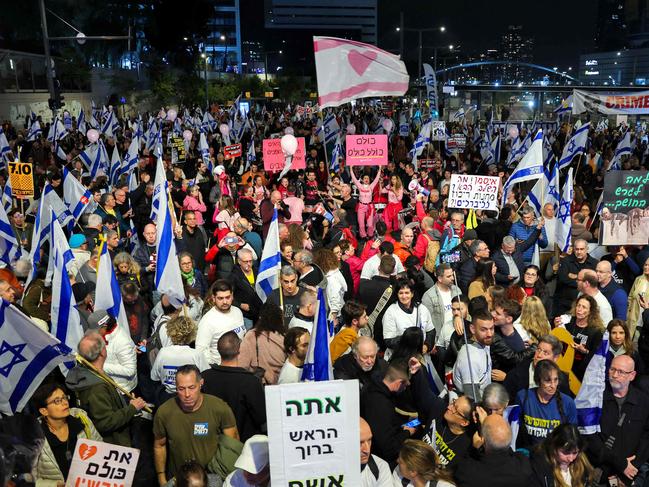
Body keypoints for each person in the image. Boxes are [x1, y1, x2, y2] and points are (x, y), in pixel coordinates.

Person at [153, 365, 239, 486]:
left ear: (201, 383)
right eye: (181, 389)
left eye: (192, 387)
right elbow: (159, 445)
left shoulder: (219, 408)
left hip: (212, 479)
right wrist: (161, 477)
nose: (187, 394)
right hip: (179, 479)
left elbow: (232, 444)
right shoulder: (164, 412)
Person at [65, 330, 147, 447]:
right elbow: (105, 423)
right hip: (113, 444)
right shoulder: (96, 387)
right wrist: (132, 408)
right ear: (102, 353)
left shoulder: (90, 372)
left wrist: (126, 403)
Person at [584, 355, 649, 485]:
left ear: (632, 375)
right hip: (598, 473)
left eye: (621, 372)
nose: (614, 375)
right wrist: (621, 464)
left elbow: (646, 438)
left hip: (630, 474)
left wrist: (631, 470)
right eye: (612, 369)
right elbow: (589, 438)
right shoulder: (594, 398)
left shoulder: (643, 401)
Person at [32, 382, 103, 486]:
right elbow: (30, 477)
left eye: (64, 397)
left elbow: (101, 449)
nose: (65, 403)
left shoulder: (82, 420)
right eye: (57, 401)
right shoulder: (34, 437)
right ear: (44, 411)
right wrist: (56, 485)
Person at [202, 332, 266, 443]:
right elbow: (261, 418)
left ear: (218, 350)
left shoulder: (204, 377)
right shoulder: (250, 382)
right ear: (239, 351)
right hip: (243, 445)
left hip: (211, 441)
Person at [360, 358, 415, 467]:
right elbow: (388, 449)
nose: (405, 389)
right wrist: (407, 432)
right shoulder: (381, 405)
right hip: (381, 460)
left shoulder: (371, 386)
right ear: (399, 383)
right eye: (405, 386)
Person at [454, 415, 534, 487]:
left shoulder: (467, 473)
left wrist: (475, 449)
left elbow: (461, 469)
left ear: (483, 441)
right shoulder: (524, 468)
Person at [515, 360, 577, 449]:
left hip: (555, 455)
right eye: (548, 381)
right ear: (538, 380)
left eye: (556, 380)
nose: (553, 385)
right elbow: (516, 430)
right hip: (528, 454)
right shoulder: (523, 397)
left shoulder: (568, 402)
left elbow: (572, 436)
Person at [150, 315, 209, 401]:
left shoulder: (163, 352)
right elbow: (205, 377)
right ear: (192, 333)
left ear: (170, 332)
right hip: (190, 397)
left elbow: (154, 377)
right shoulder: (196, 354)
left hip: (167, 398)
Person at [503, 334, 571, 402]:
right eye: (538, 349)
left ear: (555, 358)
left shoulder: (562, 379)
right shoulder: (515, 375)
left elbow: (565, 406)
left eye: (545, 353)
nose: (539, 355)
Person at [196, 280, 246, 365]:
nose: (225, 302)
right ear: (213, 298)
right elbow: (201, 350)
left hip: (239, 365)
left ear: (232, 296)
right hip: (220, 368)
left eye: (227, 297)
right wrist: (214, 367)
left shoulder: (238, 312)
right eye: (220, 298)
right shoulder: (207, 321)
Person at [555, 295, 604, 381]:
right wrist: (557, 328)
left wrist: (584, 351)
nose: (579, 309)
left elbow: (596, 357)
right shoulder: (568, 322)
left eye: (584, 307)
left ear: (590, 311)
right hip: (561, 367)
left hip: (581, 373)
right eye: (578, 305)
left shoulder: (596, 332)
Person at [382, 278, 434, 359]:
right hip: (400, 357)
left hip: (421, 356)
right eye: (401, 293)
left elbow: (431, 331)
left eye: (407, 293)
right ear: (397, 294)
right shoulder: (391, 311)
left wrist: (427, 346)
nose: (404, 296)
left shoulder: (422, 309)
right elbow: (389, 340)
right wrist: (410, 342)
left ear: (412, 294)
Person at [530, 423, 594, 487]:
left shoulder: (583, 465)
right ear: (553, 447)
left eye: (575, 453)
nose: (571, 459)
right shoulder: (540, 466)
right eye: (566, 453)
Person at [238, 302, 287, 385]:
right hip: (283, 383)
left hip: (260, 386)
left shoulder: (251, 336)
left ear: (260, 318)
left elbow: (242, 365)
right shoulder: (285, 337)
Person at [452, 310, 494, 399]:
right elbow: (472, 397)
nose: (489, 334)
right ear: (472, 329)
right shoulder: (469, 357)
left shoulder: (484, 342)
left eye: (491, 328)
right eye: (484, 329)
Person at [553, 238, 597, 316]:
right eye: (577, 249)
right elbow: (563, 279)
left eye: (582, 249)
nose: (579, 252)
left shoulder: (594, 263)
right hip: (565, 303)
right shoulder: (566, 261)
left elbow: (594, 282)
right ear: (573, 249)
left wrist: (575, 276)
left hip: (586, 304)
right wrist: (584, 282)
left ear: (587, 249)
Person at [421, 263, 463, 340]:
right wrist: (429, 341)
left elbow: (464, 310)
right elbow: (425, 322)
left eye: (452, 275)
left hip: (457, 335)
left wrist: (457, 316)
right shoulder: (428, 296)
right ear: (440, 278)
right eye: (449, 276)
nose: (453, 278)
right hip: (440, 338)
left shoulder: (457, 290)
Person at [228, 248, 262, 329]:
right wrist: (240, 305)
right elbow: (228, 295)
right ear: (239, 261)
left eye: (250, 261)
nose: (249, 264)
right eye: (246, 262)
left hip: (258, 312)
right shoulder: (233, 276)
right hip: (245, 314)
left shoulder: (257, 272)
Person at [359, 418, 393, 487]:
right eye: (360, 443)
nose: (367, 450)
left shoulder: (380, 467)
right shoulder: (333, 469)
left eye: (369, 440)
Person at [351, 169, 381, 239]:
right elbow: (354, 179)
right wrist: (351, 169)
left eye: (367, 178)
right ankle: (363, 236)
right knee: (361, 225)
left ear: (369, 180)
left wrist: (379, 169)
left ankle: (370, 235)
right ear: (362, 180)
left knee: (370, 225)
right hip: (361, 206)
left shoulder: (371, 186)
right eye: (365, 178)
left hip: (369, 207)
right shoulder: (360, 186)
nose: (366, 179)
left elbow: (376, 179)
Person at [627, 256, 649, 339]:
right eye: (645, 265)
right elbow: (630, 298)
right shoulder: (638, 279)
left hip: (646, 325)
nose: (646, 267)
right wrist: (628, 315)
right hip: (633, 322)